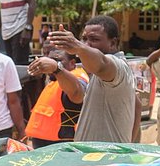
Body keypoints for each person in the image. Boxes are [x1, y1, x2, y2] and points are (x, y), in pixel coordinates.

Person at [48, 15, 140, 143]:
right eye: (84, 39)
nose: (87, 44)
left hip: (105, 159)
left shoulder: (117, 66)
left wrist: (79, 47)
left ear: (113, 43)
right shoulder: (94, 72)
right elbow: (137, 105)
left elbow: (102, 64)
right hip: (94, 158)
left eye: (94, 39)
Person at [26, 46, 87, 147]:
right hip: (46, 148)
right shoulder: (54, 81)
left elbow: (77, 92)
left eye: (57, 61)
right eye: (50, 60)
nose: (51, 64)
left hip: (63, 149)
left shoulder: (77, 76)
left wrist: (57, 69)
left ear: (72, 63)